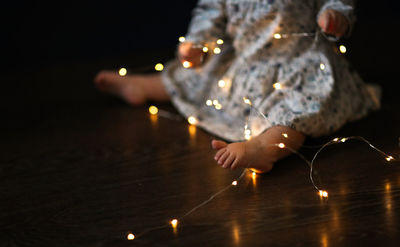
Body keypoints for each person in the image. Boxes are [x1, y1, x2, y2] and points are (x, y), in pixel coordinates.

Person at [94, 0, 380, 173]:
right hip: (246, 59)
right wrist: (196, 44)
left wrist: (334, 16)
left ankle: (264, 149)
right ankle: (144, 85)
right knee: (198, 76)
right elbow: (209, 14)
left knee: (293, 110)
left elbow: (340, 3)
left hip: (300, 62)